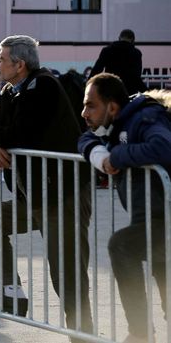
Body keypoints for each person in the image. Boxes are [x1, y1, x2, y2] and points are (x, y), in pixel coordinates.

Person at [0, 35, 93, 340]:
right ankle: (10, 293)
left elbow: (19, 133)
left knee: (67, 276)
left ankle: (83, 337)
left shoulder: (42, 86)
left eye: (2, 59)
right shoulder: (12, 90)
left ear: (20, 64)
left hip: (64, 196)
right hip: (34, 196)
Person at [78, 73, 171, 343]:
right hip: (153, 218)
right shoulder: (115, 123)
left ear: (112, 107)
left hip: (164, 219)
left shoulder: (144, 119)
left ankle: (141, 333)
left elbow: (164, 147)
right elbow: (84, 138)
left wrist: (116, 156)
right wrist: (99, 156)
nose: (84, 112)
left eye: (90, 105)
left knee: (122, 246)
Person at [90, 28, 146, 95]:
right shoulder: (136, 53)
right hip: (129, 92)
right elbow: (136, 76)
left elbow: (97, 69)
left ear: (119, 38)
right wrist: (147, 92)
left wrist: (88, 84)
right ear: (133, 40)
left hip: (110, 90)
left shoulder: (107, 50)